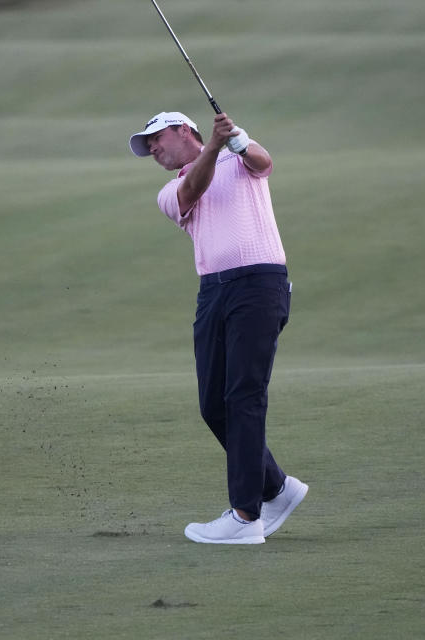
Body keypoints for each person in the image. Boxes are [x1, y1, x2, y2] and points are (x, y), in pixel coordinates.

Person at [128, 111, 308, 544]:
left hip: (259, 283)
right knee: (214, 405)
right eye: (146, 144)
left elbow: (264, 163)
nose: (152, 148)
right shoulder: (171, 191)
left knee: (244, 396)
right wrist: (214, 145)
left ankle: (246, 517)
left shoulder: (237, 158)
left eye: (156, 137)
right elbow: (194, 187)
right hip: (213, 291)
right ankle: (276, 489)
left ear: (183, 130)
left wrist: (240, 141)